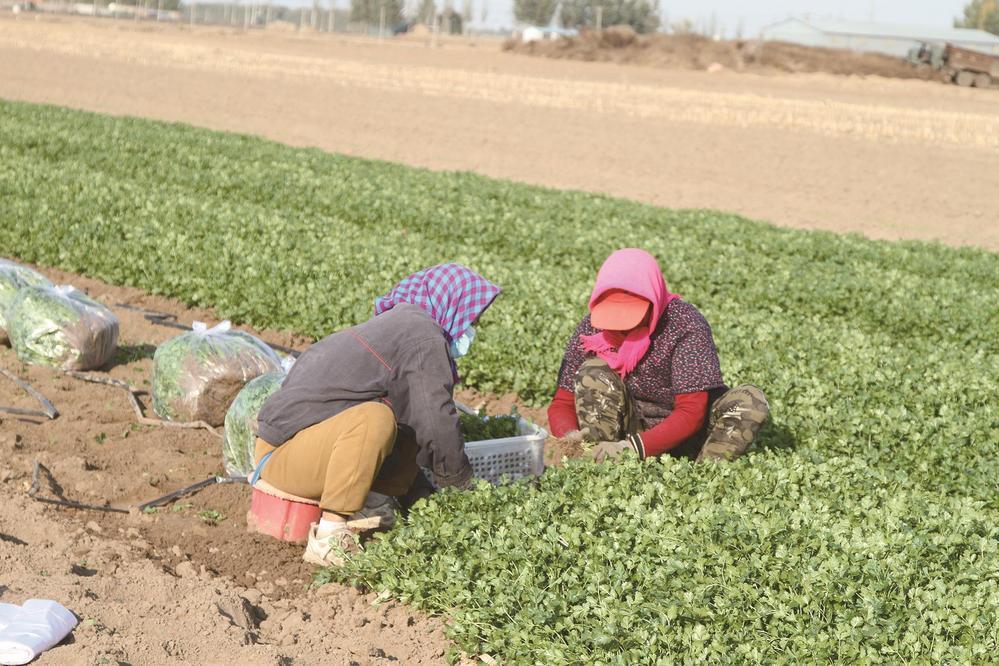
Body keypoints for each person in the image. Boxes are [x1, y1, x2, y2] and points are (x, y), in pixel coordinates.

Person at [253, 263, 500, 567]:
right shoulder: (421, 335)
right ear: (452, 304)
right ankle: (330, 536)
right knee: (376, 419)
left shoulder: (401, 327)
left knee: (406, 420)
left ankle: (373, 504)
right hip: (282, 456)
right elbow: (438, 419)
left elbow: (422, 422)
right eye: (471, 318)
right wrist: (461, 490)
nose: (469, 328)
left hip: (306, 447)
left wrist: (422, 500)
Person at [547, 248, 769, 463]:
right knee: (592, 372)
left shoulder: (684, 325)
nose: (620, 327)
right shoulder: (592, 326)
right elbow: (562, 403)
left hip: (693, 434)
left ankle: (704, 478)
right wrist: (569, 435)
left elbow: (691, 411)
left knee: (750, 401)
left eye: (631, 314)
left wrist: (631, 448)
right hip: (630, 427)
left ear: (654, 298)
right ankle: (602, 466)